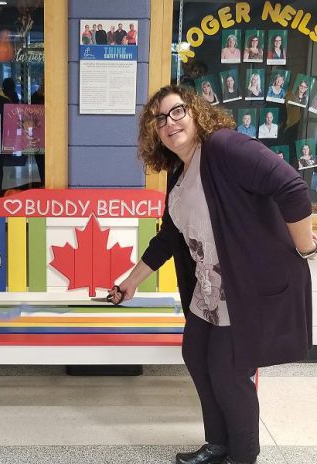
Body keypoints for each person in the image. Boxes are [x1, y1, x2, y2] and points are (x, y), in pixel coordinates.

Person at [111, 84, 312, 464]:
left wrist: (305, 247)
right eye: (159, 119)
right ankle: (218, 444)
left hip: (244, 288)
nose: (169, 123)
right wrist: (130, 283)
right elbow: (169, 236)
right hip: (209, 291)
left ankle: (242, 455)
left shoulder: (223, 147)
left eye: (177, 112)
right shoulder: (179, 170)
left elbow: (292, 187)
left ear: (196, 112)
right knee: (196, 354)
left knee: (227, 371)